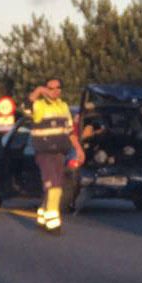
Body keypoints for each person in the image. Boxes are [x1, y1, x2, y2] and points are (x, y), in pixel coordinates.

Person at [28, 78, 84, 233]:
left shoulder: (63, 106)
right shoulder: (39, 105)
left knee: (56, 185)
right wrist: (38, 90)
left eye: (57, 87)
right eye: (50, 88)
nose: (54, 90)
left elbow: (70, 131)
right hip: (44, 153)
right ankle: (53, 223)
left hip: (59, 153)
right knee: (54, 187)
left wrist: (79, 150)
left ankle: (42, 214)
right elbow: (29, 105)